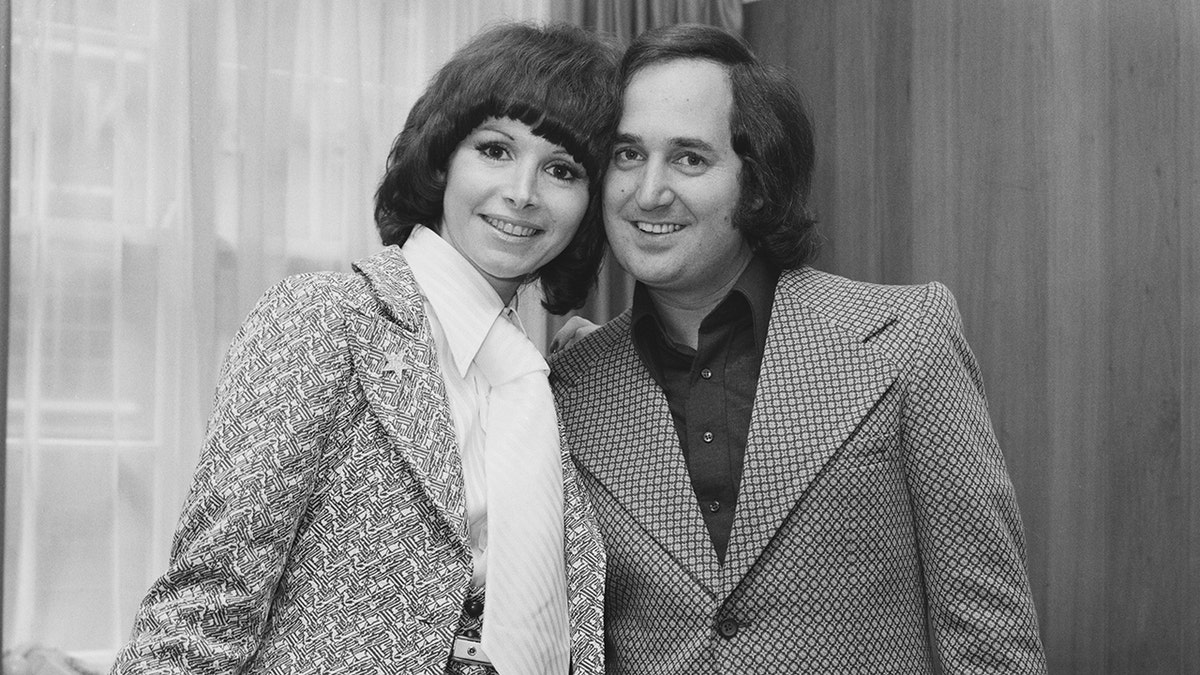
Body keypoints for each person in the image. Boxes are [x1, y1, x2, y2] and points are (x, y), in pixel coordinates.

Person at [112, 22, 618, 675]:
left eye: (561, 169)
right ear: (442, 159)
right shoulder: (325, 320)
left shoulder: (535, 381)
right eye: (495, 150)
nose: (522, 192)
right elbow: (204, 612)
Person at [549, 23, 1048, 674]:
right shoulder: (565, 388)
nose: (649, 192)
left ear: (755, 181)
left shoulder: (908, 336)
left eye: (690, 158)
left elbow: (990, 636)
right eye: (627, 155)